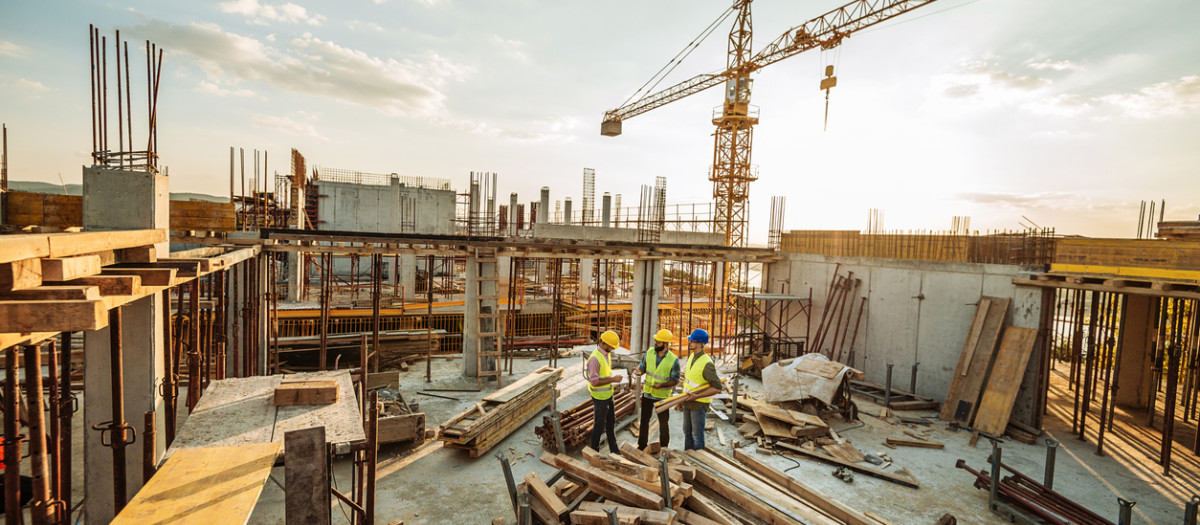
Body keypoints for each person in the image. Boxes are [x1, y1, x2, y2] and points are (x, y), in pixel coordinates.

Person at [632, 329, 680, 451]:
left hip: (662, 396)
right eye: (656, 341)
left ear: (666, 343)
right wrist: (639, 371)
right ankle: (642, 446)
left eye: (658, 342)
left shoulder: (673, 360)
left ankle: (664, 448)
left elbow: (675, 380)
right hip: (648, 394)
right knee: (644, 421)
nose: (655, 343)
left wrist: (662, 385)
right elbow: (643, 367)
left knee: (663, 424)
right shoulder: (649, 352)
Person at [679, 329, 722, 451]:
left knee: (697, 436)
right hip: (687, 401)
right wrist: (681, 400)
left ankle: (699, 460)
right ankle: (688, 456)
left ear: (699, 343)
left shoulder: (707, 363)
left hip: (698, 404)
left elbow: (717, 387)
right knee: (687, 432)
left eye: (691, 341)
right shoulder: (692, 356)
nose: (689, 342)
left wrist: (696, 396)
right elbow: (688, 382)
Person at [587, 330, 625, 453]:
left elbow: (605, 374)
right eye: (612, 347)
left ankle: (614, 450)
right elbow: (594, 381)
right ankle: (594, 451)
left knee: (611, 423)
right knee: (599, 425)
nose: (613, 349)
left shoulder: (605, 354)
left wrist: (613, 380)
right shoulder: (595, 359)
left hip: (608, 394)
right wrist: (613, 379)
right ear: (606, 345)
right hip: (599, 397)